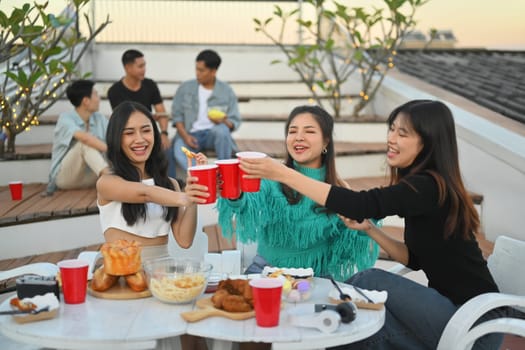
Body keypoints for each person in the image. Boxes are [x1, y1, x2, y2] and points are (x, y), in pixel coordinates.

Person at [238, 100, 504, 350]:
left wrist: (282, 172)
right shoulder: (424, 188)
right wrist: (371, 230)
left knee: (368, 279)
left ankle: (311, 317)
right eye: (391, 130)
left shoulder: (427, 187)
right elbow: (413, 259)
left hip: (475, 325)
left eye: (403, 133)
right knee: (356, 331)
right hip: (447, 314)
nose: (391, 139)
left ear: (428, 142)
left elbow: (360, 204)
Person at [217, 105, 379, 281]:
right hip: (266, 272)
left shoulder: (338, 191)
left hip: (317, 277)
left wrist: (370, 215)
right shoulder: (272, 175)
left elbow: (351, 242)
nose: (298, 137)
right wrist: (234, 193)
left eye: (309, 131)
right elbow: (247, 205)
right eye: (292, 131)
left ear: (326, 142)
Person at [96, 101, 209, 350]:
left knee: (195, 334)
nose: (140, 139)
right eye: (129, 132)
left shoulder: (170, 184)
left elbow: (184, 239)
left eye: (146, 130)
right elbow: (143, 193)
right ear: (117, 139)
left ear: (155, 135)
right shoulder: (108, 181)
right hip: (123, 276)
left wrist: (194, 186)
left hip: (162, 276)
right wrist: (183, 197)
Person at [171, 49, 241, 176]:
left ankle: (224, 173)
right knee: (178, 151)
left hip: (213, 135)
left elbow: (235, 120)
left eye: (201, 70)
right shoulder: (185, 88)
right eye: (196, 69)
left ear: (213, 71)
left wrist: (223, 121)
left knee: (222, 130)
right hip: (189, 134)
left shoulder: (226, 91)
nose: (197, 73)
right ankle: (205, 176)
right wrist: (185, 136)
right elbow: (177, 116)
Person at [107, 49, 174, 176]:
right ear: (128, 67)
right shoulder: (114, 91)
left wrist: (164, 133)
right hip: (128, 134)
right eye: (140, 66)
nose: (144, 69)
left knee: (166, 148)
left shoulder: (150, 85)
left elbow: (161, 113)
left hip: (148, 130)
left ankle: (169, 185)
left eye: (144, 65)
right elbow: (120, 120)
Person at [44, 79, 109, 196]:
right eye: (95, 94)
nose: (99, 98)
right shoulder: (65, 119)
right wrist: (111, 149)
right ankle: (112, 179)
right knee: (84, 144)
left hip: (92, 178)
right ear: (86, 101)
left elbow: (115, 137)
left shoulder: (100, 119)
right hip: (65, 179)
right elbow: (85, 138)